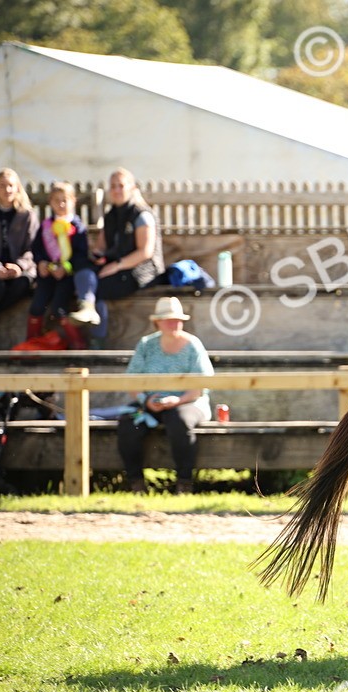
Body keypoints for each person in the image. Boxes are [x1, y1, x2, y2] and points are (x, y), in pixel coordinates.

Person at [117, 297, 213, 494]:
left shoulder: (193, 345)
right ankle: (136, 483)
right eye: (168, 319)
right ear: (157, 322)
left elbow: (202, 385)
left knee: (179, 420)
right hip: (150, 405)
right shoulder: (146, 345)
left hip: (189, 402)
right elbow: (131, 380)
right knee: (128, 421)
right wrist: (146, 401)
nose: (174, 323)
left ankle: (184, 482)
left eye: (178, 319)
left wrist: (178, 400)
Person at [87, 168, 166, 347]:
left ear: (132, 187)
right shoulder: (111, 215)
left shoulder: (141, 214)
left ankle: (98, 340)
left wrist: (116, 266)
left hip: (143, 271)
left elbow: (145, 252)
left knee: (98, 288)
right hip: (119, 266)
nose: (116, 190)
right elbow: (102, 246)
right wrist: (96, 256)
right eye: (113, 186)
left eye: (121, 186)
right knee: (84, 277)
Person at [20, 182, 93, 349]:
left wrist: (66, 268)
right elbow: (36, 249)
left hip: (67, 277)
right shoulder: (45, 226)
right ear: (50, 202)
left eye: (65, 200)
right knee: (37, 306)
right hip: (47, 276)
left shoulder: (78, 227)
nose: (61, 204)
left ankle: (78, 344)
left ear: (73, 201)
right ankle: (32, 343)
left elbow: (81, 254)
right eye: (56, 200)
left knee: (58, 307)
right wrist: (41, 263)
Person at [0, 168, 40, 324]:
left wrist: (19, 266)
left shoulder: (27, 215)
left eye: (11, 185)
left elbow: (33, 248)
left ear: (17, 188)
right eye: (2, 185)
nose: (7, 190)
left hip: (20, 270)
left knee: (23, 284)